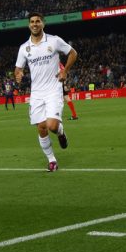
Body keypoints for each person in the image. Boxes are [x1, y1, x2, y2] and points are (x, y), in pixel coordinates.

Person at [15, 12, 78, 172]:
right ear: (29, 25)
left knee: (52, 125)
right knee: (41, 127)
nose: (34, 24)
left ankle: (61, 132)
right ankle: (52, 160)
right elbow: (18, 67)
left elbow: (73, 53)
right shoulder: (24, 48)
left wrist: (65, 71)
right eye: (32, 22)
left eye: (37, 21)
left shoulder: (54, 40)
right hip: (36, 93)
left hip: (53, 90)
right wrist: (18, 73)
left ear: (43, 23)